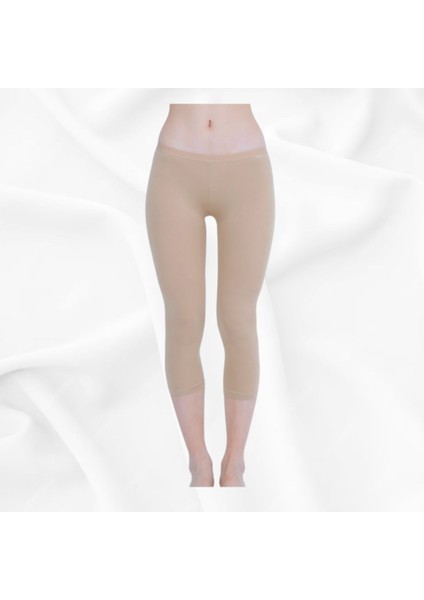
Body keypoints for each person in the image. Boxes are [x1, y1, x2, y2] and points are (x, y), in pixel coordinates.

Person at [145, 103, 275, 487]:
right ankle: (197, 461)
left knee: (239, 320)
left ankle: (235, 463)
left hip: (246, 169)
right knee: (184, 321)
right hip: (175, 168)